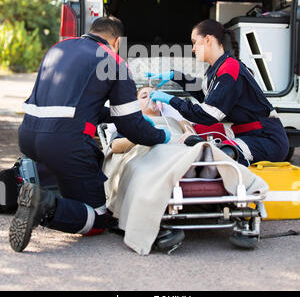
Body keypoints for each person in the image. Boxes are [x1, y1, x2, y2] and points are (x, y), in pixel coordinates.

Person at [9, 17, 171, 253]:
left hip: (29, 138)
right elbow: (130, 126)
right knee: (97, 218)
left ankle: (35, 195)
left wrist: (112, 116)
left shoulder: (58, 49)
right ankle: (44, 206)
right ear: (117, 42)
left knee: (69, 187)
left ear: (91, 32)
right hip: (64, 144)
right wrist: (159, 136)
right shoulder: (114, 61)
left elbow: (78, 106)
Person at [148, 19, 289, 166]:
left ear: (208, 39)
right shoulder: (217, 69)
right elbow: (207, 95)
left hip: (266, 140)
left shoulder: (229, 69)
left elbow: (208, 114)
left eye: (195, 42)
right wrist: (175, 76)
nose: (193, 48)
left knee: (211, 157)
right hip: (251, 136)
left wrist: (171, 100)